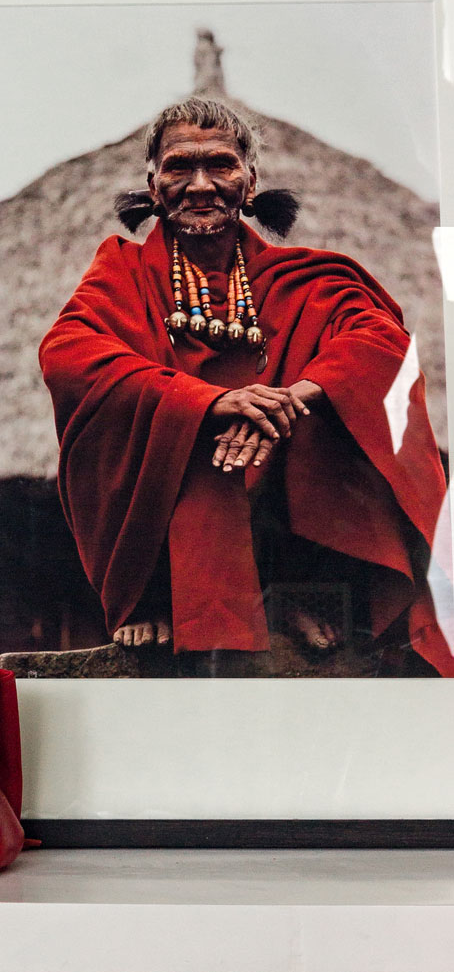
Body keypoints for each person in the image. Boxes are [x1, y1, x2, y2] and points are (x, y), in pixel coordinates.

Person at [37, 95, 453, 673]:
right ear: (153, 184)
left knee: (343, 405)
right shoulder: (120, 272)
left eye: (222, 165)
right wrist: (210, 404)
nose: (201, 184)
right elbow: (70, 355)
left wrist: (289, 401)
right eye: (180, 167)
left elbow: (378, 339)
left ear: (250, 180)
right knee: (187, 445)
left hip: (280, 460)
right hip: (182, 473)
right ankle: (158, 598)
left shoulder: (311, 279)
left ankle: (289, 593)